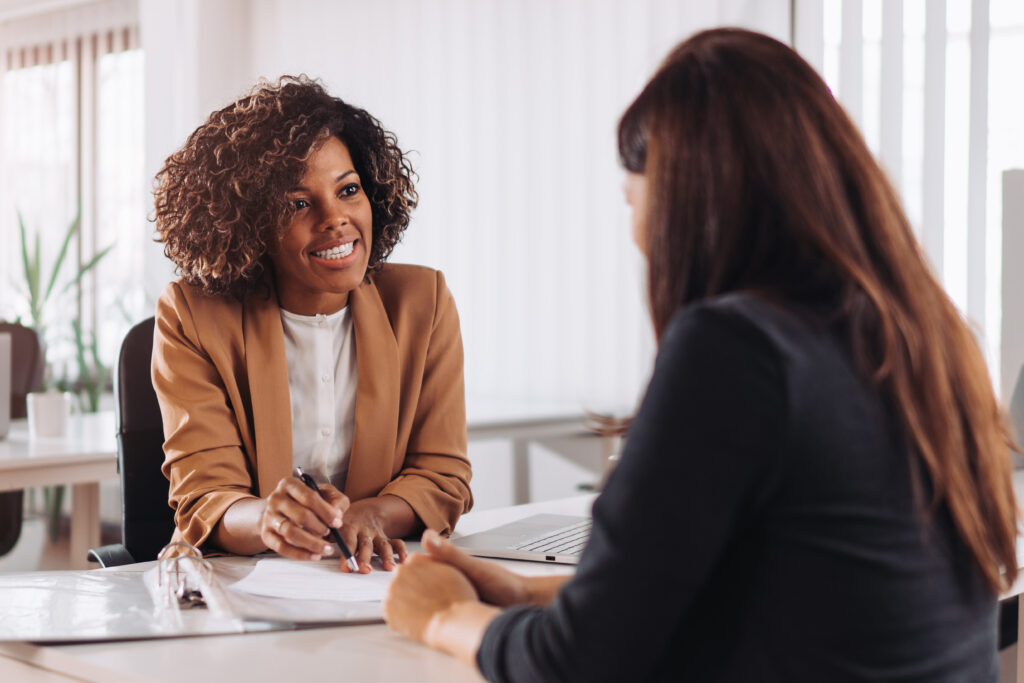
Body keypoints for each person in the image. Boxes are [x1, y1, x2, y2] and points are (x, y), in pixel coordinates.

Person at [383, 28, 1019, 680]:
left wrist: (441, 616)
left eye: (633, 200)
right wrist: (522, 591)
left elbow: (579, 665)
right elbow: (784, 592)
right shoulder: (937, 339)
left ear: (686, 200)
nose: (636, 238)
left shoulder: (738, 349)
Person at [151, 76, 472, 573]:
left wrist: (372, 515)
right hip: (237, 587)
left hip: (372, 581)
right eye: (299, 203)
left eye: (348, 190)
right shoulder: (192, 315)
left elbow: (442, 475)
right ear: (250, 223)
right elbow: (206, 496)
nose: (336, 218)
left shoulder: (421, 303)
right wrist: (266, 520)